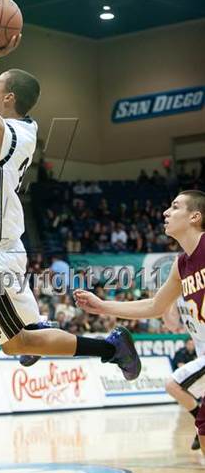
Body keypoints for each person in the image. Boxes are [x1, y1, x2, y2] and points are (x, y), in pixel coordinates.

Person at [0, 0, 140, 384]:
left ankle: (110, 347)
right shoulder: (3, 127)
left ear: (8, 97)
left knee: (15, 343)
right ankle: (30, 326)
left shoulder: (3, 132)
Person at [74, 190, 205, 454]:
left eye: (175, 207)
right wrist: (102, 306)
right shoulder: (181, 265)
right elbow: (155, 306)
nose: (166, 212)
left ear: (195, 216)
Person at [163, 304, 203, 450]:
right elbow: (172, 325)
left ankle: (200, 423)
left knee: (172, 385)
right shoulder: (177, 291)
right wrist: (164, 303)